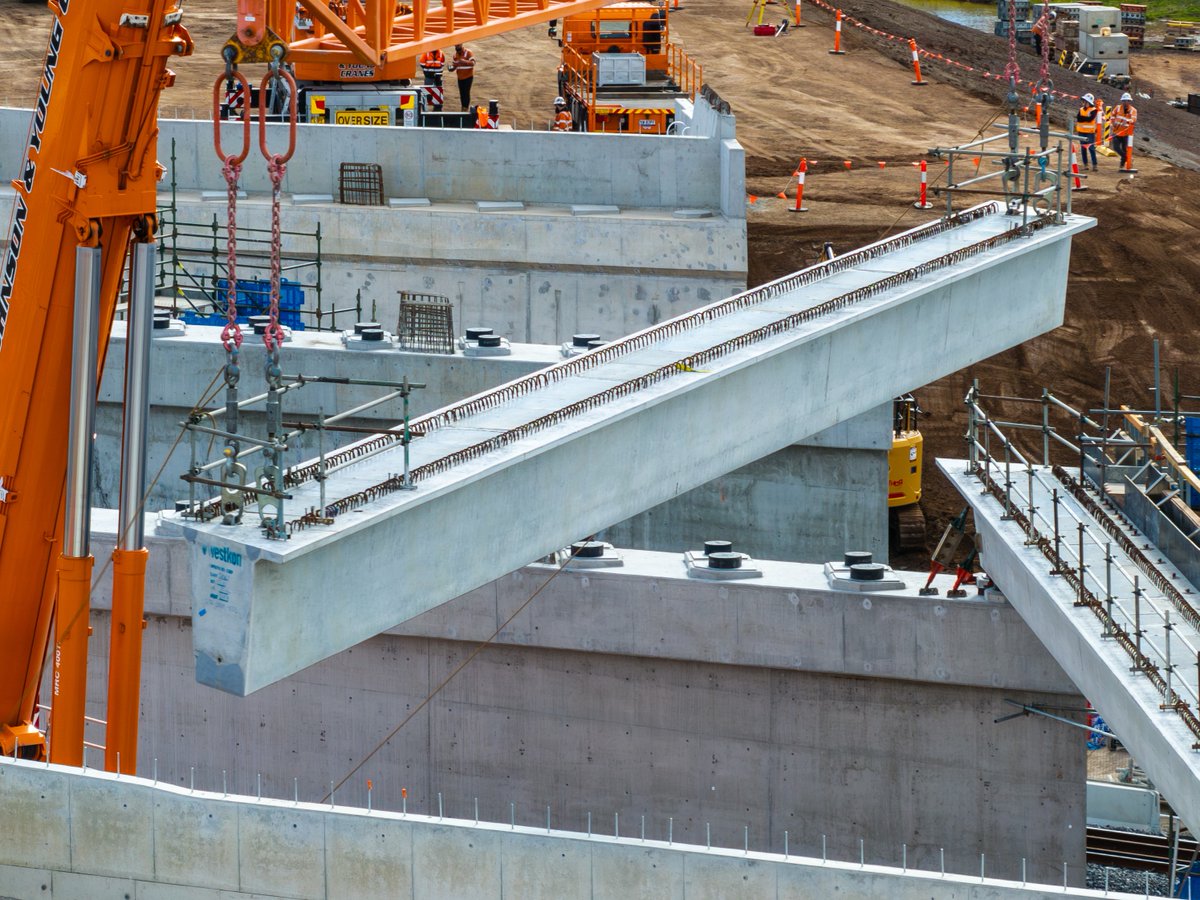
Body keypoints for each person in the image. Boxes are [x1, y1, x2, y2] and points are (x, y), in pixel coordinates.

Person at [1110, 92, 1137, 163]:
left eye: (1127, 101)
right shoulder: (1118, 108)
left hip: (1126, 134)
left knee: (1124, 149)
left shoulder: (1133, 110)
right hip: (1116, 132)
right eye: (1124, 101)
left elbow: (1133, 119)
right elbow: (1112, 115)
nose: (1125, 102)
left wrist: (1127, 121)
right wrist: (1113, 122)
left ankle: (1122, 164)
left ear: (1129, 101)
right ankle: (1127, 158)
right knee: (1116, 147)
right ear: (1122, 101)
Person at [1075, 92, 1099, 171]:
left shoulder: (1094, 110)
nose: (1084, 103)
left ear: (1089, 102)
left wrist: (1083, 118)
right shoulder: (1081, 109)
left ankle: (1094, 165)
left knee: (1091, 148)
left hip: (1090, 132)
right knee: (1083, 148)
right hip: (1081, 132)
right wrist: (1085, 118)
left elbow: (1090, 119)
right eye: (1083, 101)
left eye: (1085, 101)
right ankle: (1086, 165)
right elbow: (1078, 118)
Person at [449, 44, 475, 111]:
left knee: (466, 93)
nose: (458, 49)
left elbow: (473, 63)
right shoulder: (455, 55)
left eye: (459, 47)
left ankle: (465, 108)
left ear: (461, 45)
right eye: (456, 47)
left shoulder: (468, 52)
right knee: (462, 93)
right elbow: (455, 66)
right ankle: (463, 107)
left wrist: (464, 61)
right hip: (460, 77)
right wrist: (451, 68)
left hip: (468, 76)